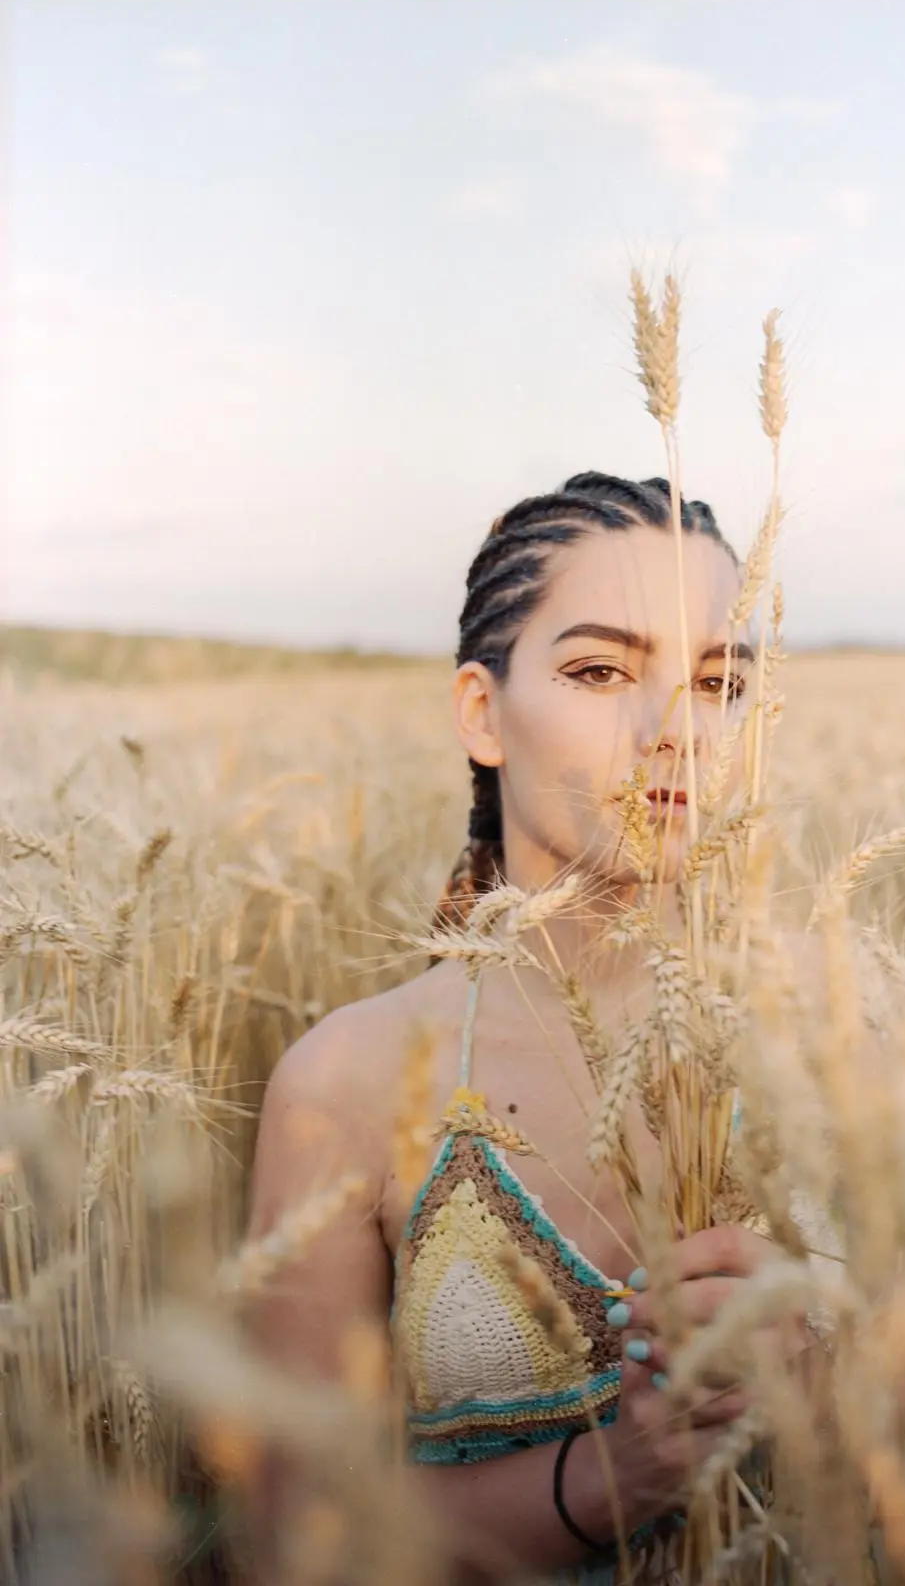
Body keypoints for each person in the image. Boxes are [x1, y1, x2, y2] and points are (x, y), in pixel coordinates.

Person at [244, 472, 790, 1584]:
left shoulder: (837, 1054)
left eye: (718, 682)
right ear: (482, 714)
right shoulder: (351, 1080)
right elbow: (284, 1536)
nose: (672, 730)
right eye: (599, 671)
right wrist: (615, 1478)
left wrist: (825, 1381)